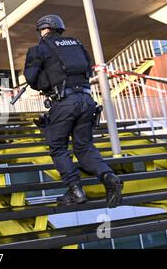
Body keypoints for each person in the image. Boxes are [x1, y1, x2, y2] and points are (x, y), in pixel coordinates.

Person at [24, 14, 124, 208]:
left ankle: (75, 190)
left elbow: (32, 79)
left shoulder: (39, 49)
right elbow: (87, 70)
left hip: (64, 103)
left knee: (58, 147)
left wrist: (46, 81)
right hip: (87, 100)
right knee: (84, 147)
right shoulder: (77, 44)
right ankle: (109, 177)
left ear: (44, 29)